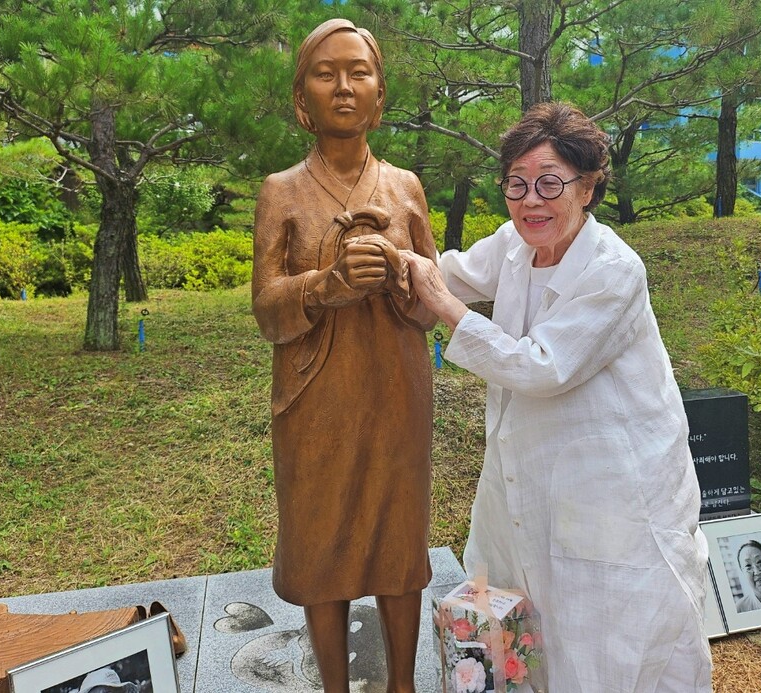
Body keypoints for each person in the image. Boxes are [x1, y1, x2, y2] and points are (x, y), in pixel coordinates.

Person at [401, 102, 713, 692]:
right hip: (529, 472)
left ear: (589, 186)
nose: (530, 201)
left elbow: (544, 365)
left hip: (612, 485)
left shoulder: (614, 268)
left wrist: (445, 308)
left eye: (550, 183)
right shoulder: (514, 246)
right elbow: (448, 274)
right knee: (528, 628)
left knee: (609, 638)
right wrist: (398, 265)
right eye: (516, 184)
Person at [251, 18, 437, 693]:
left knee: (398, 536)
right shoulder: (282, 192)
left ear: (380, 95)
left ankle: (404, 683)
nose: (344, 86)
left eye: (358, 72)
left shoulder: (406, 187)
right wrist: (324, 286)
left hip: (396, 391)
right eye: (326, 73)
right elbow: (267, 309)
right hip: (314, 395)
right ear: (302, 98)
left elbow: (432, 298)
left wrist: (401, 275)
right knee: (319, 540)